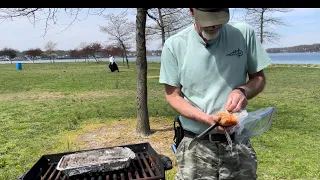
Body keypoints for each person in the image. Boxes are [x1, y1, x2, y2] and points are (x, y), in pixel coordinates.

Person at [159, 8, 272, 180]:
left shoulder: (243, 33)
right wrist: (205, 119)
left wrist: (243, 91)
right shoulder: (174, 45)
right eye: (208, 21)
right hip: (196, 145)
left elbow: (258, 79)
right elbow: (173, 96)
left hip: (237, 144)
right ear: (192, 11)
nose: (214, 26)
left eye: (219, 20)